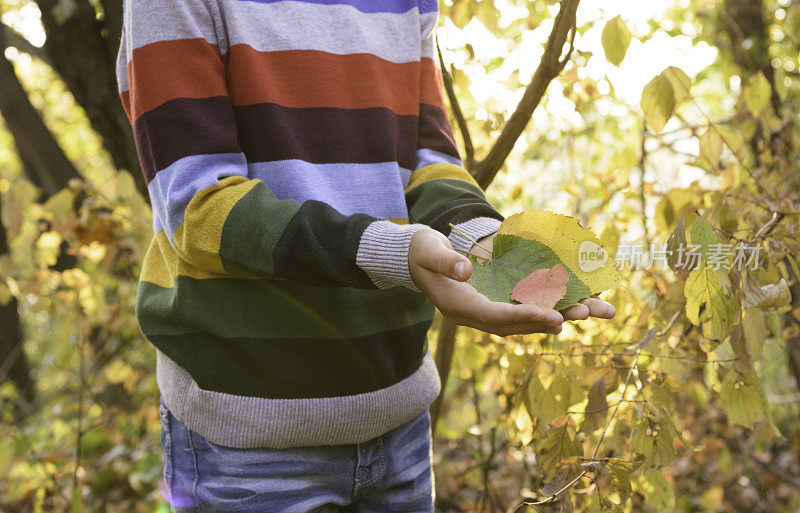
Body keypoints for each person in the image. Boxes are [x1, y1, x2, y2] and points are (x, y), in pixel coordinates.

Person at [114, 0, 615, 511]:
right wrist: (390, 249)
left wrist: (484, 243)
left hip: (400, 421)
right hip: (250, 441)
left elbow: (429, 158)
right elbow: (199, 207)